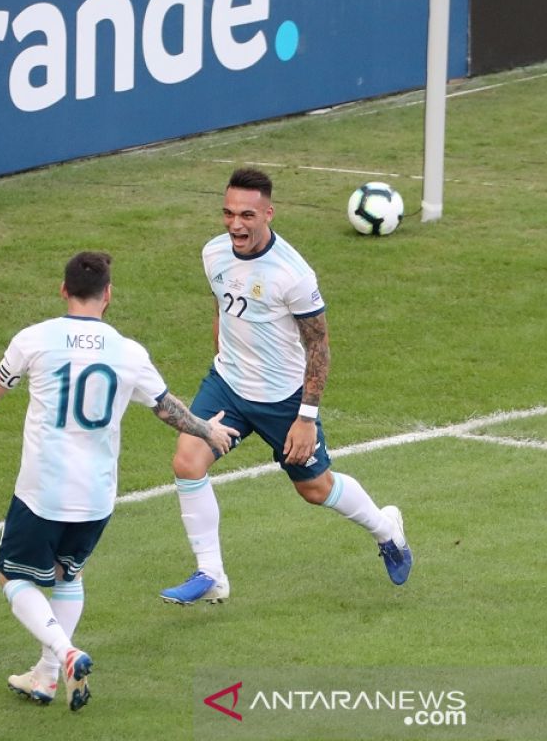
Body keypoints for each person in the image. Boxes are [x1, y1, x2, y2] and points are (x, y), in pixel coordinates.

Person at [0, 251, 238, 711]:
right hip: (98, 495)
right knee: (69, 572)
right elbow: (166, 409)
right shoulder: (129, 352)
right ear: (109, 295)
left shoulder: (35, 339)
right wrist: (207, 429)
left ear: (64, 290)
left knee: (10, 574)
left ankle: (64, 653)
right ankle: (43, 676)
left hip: (43, 491)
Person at [159, 168, 413, 606]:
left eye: (246, 215)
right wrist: (224, 358)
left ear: (268, 213)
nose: (235, 224)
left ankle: (386, 528)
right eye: (228, 213)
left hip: (282, 400)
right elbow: (222, 306)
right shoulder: (214, 253)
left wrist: (306, 418)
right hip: (228, 386)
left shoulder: (292, 274)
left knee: (315, 490)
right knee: (187, 463)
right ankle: (211, 574)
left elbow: (319, 346)